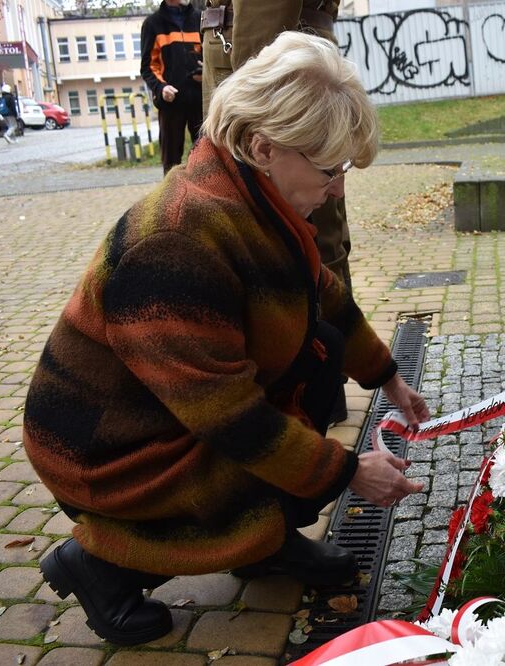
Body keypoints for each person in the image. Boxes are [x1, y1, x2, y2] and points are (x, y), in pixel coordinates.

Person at [25, 32, 429, 646]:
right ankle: (101, 565)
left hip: (166, 413)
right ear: (265, 146)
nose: (340, 187)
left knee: (316, 354)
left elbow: (322, 294)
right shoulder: (178, 243)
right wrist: (346, 471)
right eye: (331, 170)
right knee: (266, 464)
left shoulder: (252, 197)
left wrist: (387, 377)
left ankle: (262, 547)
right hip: (106, 451)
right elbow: (232, 419)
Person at [200, 0, 353, 421]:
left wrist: (256, 97)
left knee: (288, 234)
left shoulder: (263, 129)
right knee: (292, 235)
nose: (340, 185)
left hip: (265, 57)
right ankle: (310, 387)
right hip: (271, 51)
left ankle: (304, 390)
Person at [141, 0, 204, 174]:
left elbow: (211, 56)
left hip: (200, 101)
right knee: (171, 161)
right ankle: (171, 198)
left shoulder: (200, 18)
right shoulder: (153, 24)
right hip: (171, 102)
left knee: (205, 157)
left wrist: (206, 72)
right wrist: (161, 88)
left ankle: (203, 198)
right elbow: (148, 67)